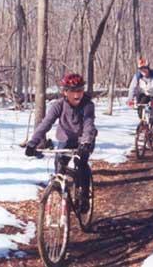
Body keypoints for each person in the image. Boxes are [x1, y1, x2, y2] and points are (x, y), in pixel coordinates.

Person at [25, 73, 97, 213]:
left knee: (81, 163)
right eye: (73, 91)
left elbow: (89, 124)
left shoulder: (88, 105)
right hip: (66, 138)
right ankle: (61, 196)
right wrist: (33, 142)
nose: (77, 95)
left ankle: (84, 196)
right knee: (59, 166)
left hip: (85, 139)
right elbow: (46, 124)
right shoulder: (58, 105)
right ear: (65, 92)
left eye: (80, 90)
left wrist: (86, 142)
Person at [127, 57, 153, 138]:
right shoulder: (137, 76)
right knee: (140, 110)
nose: (143, 71)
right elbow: (132, 87)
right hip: (144, 95)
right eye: (141, 69)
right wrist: (130, 99)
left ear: (148, 68)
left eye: (145, 68)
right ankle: (144, 126)